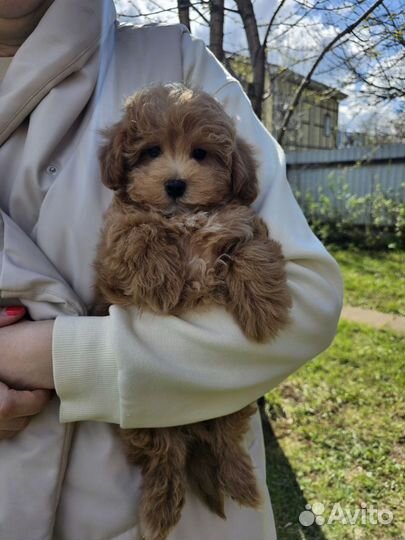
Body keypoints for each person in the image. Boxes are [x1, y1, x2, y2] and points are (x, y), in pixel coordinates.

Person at [0, 1, 343, 539]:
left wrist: (47, 357)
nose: (177, 174)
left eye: (200, 156)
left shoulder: (174, 59)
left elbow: (302, 305)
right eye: (153, 153)